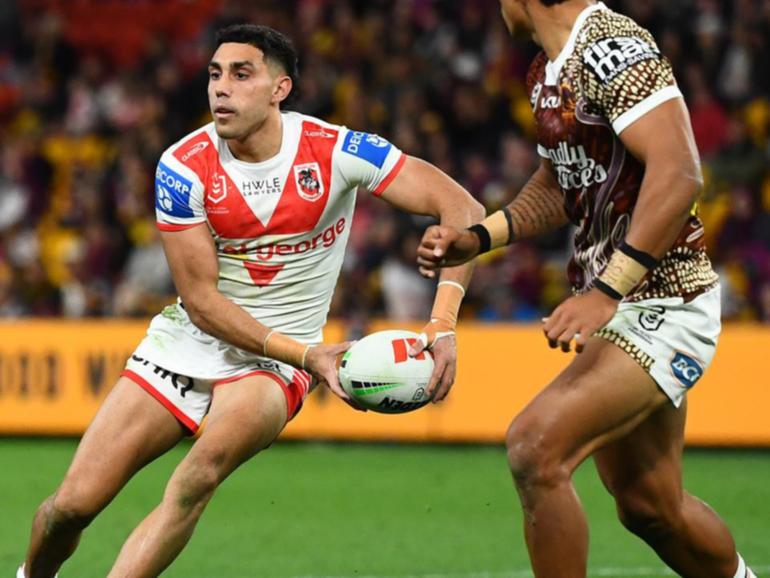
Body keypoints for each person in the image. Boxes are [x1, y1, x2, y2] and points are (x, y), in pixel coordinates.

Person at [19, 24, 483, 578]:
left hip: (274, 364)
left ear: (279, 88)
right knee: (71, 508)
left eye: (241, 74)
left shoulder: (336, 151)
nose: (221, 88)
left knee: (196, 478)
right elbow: (200, 303)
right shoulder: (183, 165)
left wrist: (443, 322)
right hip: (191, 342)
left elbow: (464, 210)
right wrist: (314, 358)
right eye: (215, 74)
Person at [416, 1, 758, 577]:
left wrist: (605, 290)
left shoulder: (611, 44)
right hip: (627, 300)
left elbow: (679, 172)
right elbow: (560, 184)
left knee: (535, 447)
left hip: (665, 297)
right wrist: (480, 236)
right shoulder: (547, 70)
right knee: (651, 508)